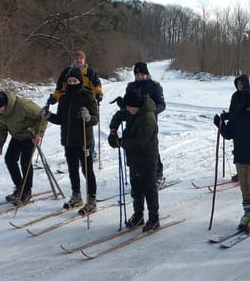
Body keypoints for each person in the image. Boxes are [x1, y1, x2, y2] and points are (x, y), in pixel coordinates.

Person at [213, 92, 250, 232]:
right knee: (244, 187)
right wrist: (219, 124)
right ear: (248, 105)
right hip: (240, 157)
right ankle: (248, 212)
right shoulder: (237, 117)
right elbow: (228, 134)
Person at [42, 68, 99, 213]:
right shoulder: (64, 98)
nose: (72, 83)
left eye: (75, 80)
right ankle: (76, 196)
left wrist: (87, 117)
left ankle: (92, 200)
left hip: (84, 140)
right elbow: (61, 119)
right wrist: (49, 116)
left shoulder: (87, 95)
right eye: (69, 81)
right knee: (73, 170)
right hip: (68, 140)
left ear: (80, 81)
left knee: (87, 171)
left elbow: (95, 119)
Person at [108, 89, 162, 232]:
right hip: (134, 158)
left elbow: (139, 142)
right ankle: (139, 215)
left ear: (137, 106)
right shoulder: (132, 110)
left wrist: (120, 142)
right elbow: (119, 115)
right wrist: (113, 130)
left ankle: (154, 218)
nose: (127, 109)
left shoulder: (148, 118)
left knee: (149, 189)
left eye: (129, 107)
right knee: (136, 188)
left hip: (147, 158)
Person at [0, 91, 46, 205]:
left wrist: (39, 134)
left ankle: (27, 190)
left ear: (5, 105)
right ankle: (19, 188)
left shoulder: (22, 105)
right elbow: (0, 128)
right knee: (9, 159)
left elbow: (42, 116)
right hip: (17, 136)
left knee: (25, 162)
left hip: (30, 135)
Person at [51, 50, 104, 159]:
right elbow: (60, 86)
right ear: (73, 60)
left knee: (87, 124)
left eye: (81, 58)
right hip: (70, 99)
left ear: (84, 60)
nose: (79, 60)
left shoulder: (89, 71)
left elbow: (96, 83)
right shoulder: (67, 72)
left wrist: (98, 93)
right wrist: (55, 98)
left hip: (86, 100)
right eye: (77, 58)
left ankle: (90, 150)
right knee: (71, 125)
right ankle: (71, 150)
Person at [124, 62, 166, 187]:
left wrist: (150, 112)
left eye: (142, 74)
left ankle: (158, 175)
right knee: (135, 149)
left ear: (146, 74)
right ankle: (138, 174)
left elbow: (162, 104)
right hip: (133, 123)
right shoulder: (131, 86)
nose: (139, 76)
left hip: (149, 123)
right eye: (137, 74)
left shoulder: (154, 86)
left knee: (152, 150)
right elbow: (128, 102)